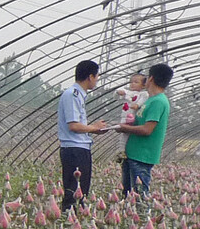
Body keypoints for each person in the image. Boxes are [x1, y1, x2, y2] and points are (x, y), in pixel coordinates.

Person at [116, 62, 173, 197]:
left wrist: (125, 128)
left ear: (151, 78)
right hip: (132, 154)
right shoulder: (148, 100)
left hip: (142, 156)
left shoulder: (158, 101)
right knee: (128, 196)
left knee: (139, 197)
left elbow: (147, 129)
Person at [57, 59, 107, 211]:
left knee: (81, 193)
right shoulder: (72, 95)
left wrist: (93, 129)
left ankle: (74, 218)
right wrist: (94, 127)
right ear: (90, 77)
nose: (97, 80)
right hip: (74, 150)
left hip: (80, 148)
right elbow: (73, 125)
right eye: (97, 76)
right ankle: (69, 220)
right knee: (74, 194)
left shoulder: (78, 95)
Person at [116, 71, 147, 195]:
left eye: (136, 82)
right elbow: (119, 93)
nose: (132, 84)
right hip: (125, 119)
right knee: (123, 138)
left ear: (143, 85)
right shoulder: (129, 92)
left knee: (127, 135)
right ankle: (121, 152)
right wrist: (119, 92)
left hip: (133, 120)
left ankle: (122, 152)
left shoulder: (143, 94)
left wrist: (136, 104)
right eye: (131, 82)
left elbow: (142, 101)